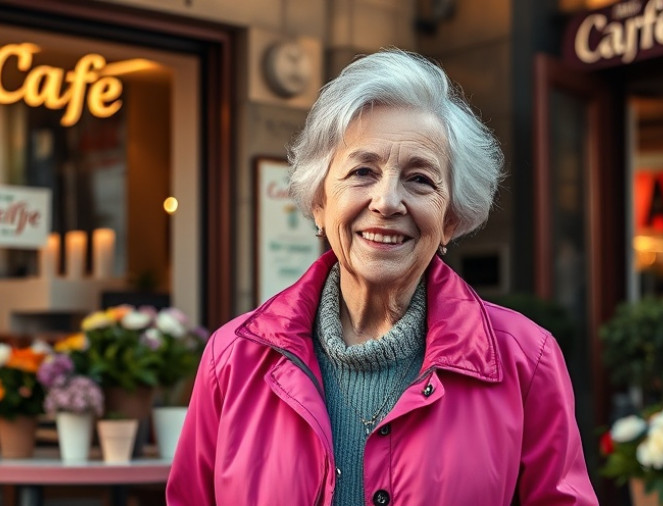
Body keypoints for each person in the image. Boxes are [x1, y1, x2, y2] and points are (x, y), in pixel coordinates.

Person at [167, 49, 598, 505]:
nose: (387, 202)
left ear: (451, 219)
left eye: (420, 180)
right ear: (319, 201)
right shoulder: (234, 358)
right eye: (362, 172)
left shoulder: (526, 361)